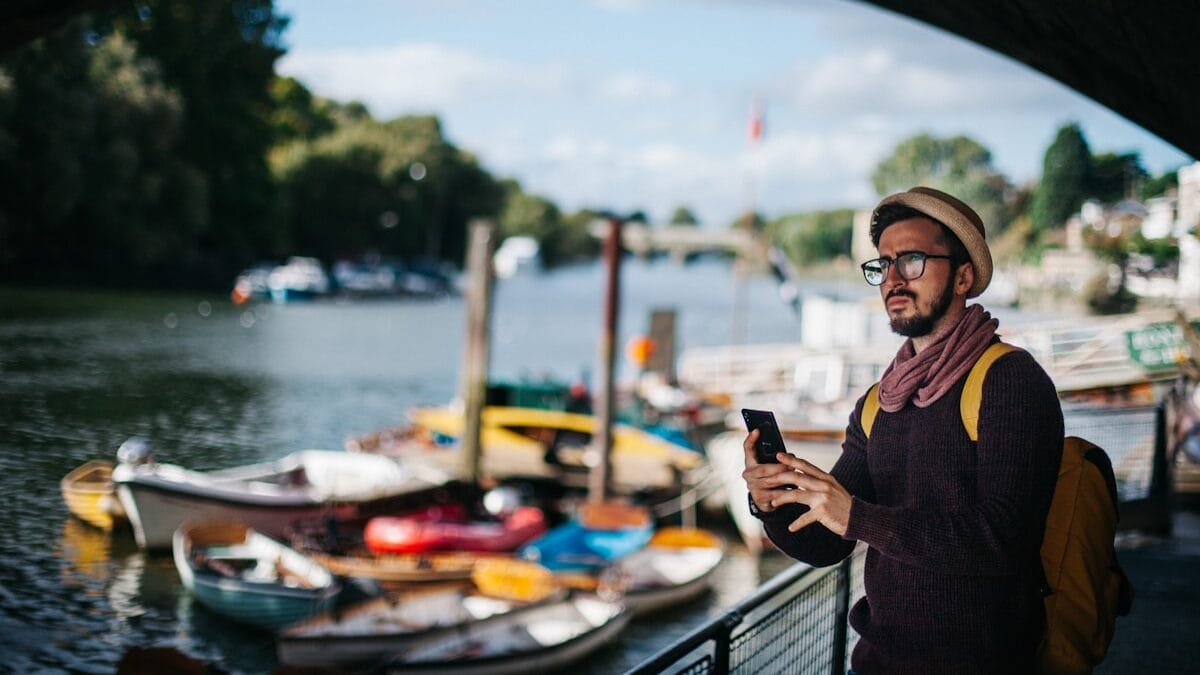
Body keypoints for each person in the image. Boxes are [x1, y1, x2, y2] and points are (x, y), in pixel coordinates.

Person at [742, 186, 1063, 674]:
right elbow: (830, 543)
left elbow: (1004, 538)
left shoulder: (1009, 381)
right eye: (882, 265)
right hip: (875, 663)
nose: (892, 279)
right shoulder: (879, 401)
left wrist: (860, 517)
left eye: (911, 260)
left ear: (963, 276)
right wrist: (771, 505)